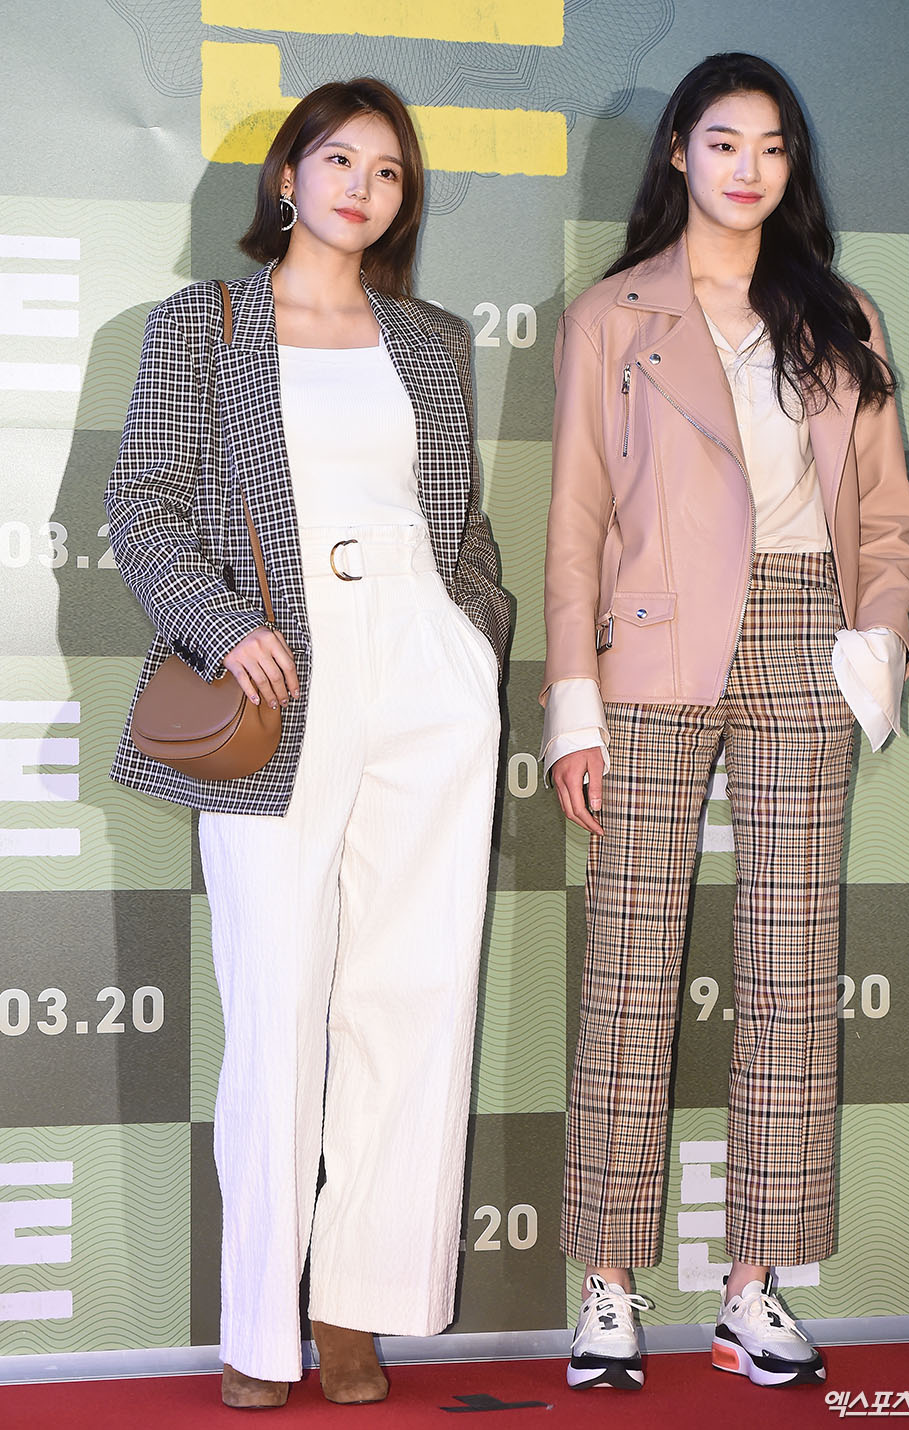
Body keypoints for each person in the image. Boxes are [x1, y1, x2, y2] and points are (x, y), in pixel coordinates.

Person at [106, 78, 508, 1409]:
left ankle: (359, 1306)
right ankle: (256, 1326)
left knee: (414, 998)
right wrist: (221, 627)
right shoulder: (203, 325)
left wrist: (477, 646)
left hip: (424, 668)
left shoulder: (434, 341)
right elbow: (146, 507)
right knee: (277, 1006)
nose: (362, 187)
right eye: (339, 159)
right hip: (282, 675)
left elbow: (461, 526)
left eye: (388, 172)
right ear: (288, 176)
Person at [541, 52, 909, 1391]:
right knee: (629, 973)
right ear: (678, 159)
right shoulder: (611, 317)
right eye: (722, 142)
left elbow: (888, 517)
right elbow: (576, 520)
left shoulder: (841, 314)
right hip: (648, 652)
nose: (748, 167)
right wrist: (571, 703)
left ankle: (753, 1287)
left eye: (772, 146)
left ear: (790, 167)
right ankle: (604, 1282)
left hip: (802, 641)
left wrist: (871, 640)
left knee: (790, 972)